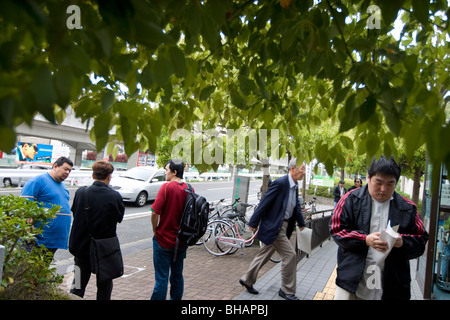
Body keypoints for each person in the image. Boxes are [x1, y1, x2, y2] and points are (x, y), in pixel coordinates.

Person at [329, 156, 429, 300]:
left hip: (392, 284)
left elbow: (421, 240)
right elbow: (336, 230)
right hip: (352, 280)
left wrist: (402, 242)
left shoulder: (407, 208)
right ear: (368, 177)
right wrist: (365, 239)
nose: (383, 189)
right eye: (379, 182)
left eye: (390, 184)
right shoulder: (350, 200)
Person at [239, 159, 306, 300]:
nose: (304, 172)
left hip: (285, 226)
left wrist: (301, 221)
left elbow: (296, 206)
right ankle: (287, 290)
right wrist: (254, 221)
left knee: (264, 253)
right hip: (276, 226)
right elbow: (265, 202)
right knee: (290, 255)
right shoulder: (280, 183)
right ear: (292, 169)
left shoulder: (295, 185)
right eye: (302, 169)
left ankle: (247, 279)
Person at [69, 160, 125, 300]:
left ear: (93, 176)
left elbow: (76, 213)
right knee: (105, 287)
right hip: (104, 250)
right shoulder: (115, 196)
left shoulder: (81, 192)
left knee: (77, 286)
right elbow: (119, 218)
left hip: (81, 248)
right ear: (109, 176)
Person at [150, 159, 190, 300]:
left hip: (164, 241)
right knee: (177, 275)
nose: (165, 172)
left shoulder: (166, 188)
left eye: (167, 170)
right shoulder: (189, 188)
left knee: (161, 277)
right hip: (181, 241)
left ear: (174, 172)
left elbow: (155, 212)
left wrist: (155, 231)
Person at [21, 156, 73, 256]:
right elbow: (25, 209)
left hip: (54, 241)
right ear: (55, 166)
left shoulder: (63, 186)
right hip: (38, 241)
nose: (67, 172)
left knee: (42, 269)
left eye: (69, 171)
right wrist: (30, 235)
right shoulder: (37, 182)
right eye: (65, 169)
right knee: (30, 269)